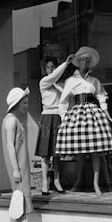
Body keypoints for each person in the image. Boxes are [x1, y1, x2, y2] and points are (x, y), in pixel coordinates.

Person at [55, 46, 112, 196]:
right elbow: (63, 101)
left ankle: (96, 183)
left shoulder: (94, 81)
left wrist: (107, 115)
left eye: (88, 60)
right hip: (77, 114)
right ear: (78, 62)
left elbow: (102, 98)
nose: (85, 62)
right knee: (80, 152)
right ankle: (79, 181)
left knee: (96, 150)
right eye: (83, 60)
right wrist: (64, 118)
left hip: (92, 114)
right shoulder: (71, 80)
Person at [2, 87, 44, 222]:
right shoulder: (11, 121)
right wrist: (15, 170)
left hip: (21, 167)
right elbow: (10, 146)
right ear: (16, 103)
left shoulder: (11, 119)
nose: (27, 105)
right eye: (24, 102)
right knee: (23, 206)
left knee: (17, 200)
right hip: (19, 168)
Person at [36, 54, 74, 195]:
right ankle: (45, 183)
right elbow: (54, 77)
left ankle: (57, 180)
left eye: (53, 67)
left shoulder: (59, 85)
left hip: (58, 117)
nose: (51, 70)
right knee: (45, 154)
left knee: (57, 154)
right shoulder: (44, 82)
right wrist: (65, 64)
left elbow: (67, 97)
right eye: (48, 67)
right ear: (44, 69)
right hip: (47, 117)